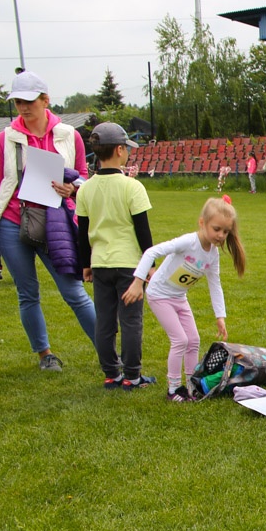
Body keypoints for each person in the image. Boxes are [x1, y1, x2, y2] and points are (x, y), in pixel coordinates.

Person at [0, 70, 95, 371]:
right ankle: (45, 355)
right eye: (18, 101)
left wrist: (73, 188)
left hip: (55, 220)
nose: (23, 107)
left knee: (74, 291)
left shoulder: (69, 135)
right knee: (27, 293)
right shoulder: (5, 139)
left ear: (46, 100)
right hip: (10, 221)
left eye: (29, 101)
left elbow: (83, 176)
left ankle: (109, 353)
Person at [126, 197, 245, 401]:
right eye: (216, 229)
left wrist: (220, 316)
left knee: (194, 340)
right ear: (202, 223)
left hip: (179, 297)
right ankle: (173, 389)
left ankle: (191, 385)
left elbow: (215, 284)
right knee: (180, 340)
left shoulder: (213, 255)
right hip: (159, 295)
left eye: (225, 231)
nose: (221, 235)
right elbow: (151, 252)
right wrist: (138, 282)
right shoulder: (188, 242)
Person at [75, 122, 156, 390]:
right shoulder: (132, 187)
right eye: (127, 148)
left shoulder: (85, 189)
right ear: (120, 150)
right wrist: (150, 265)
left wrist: (86, 265)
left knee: (105, 321)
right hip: (130, 266)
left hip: (100, 264)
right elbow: (143, 231)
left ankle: (111, 374)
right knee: (131, 321)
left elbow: (83, 232)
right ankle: (132, 376)